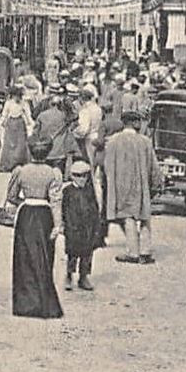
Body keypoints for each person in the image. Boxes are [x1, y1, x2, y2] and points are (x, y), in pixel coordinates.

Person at [5, 139, 64, 318]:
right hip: (44, 216)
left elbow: (11, 195)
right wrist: (57, 224)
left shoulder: (21, 171)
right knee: (44, 257)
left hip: (26, 215)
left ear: (30, 152)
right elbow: (55, 201)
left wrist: (23, 201)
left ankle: (25, 304)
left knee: (24, 258)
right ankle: (44, 303)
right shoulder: (53, 173)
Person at [103, 109, 162, 265]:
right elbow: (154, 167)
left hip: (121, 184)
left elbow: (107, 165)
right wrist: (156, 183)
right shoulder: (145, 142)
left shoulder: (113, 141)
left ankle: (133, 252)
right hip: (141, 184)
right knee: (144, 216)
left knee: (128, 216)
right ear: (135, 123)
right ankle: (145, 251)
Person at [61, 159, 101, 292]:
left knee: (87, 253)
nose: (82, 179)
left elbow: (95, 207)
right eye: (78, 176)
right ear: (72, 176)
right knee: (72, 253)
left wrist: (96, 224)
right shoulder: (67, 191)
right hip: (72, 226)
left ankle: (83, 277)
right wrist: (63, 224)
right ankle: (69, 275)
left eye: (84, 176)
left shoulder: (89, 190)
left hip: (87, 226)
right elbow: (63, 209)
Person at [0, 87, 34, 173]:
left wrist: (31, 123)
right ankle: (8, 165)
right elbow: (4, 114)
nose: (17, 97)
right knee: (9, 145)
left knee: (21, 145)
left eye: (19, 96)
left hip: (20, 124)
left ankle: (19, 164)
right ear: (12, 95)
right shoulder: (8, 103)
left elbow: (28, 115)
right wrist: (0, 124)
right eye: (16, 96)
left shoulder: (24, 103)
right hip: (11, 124)